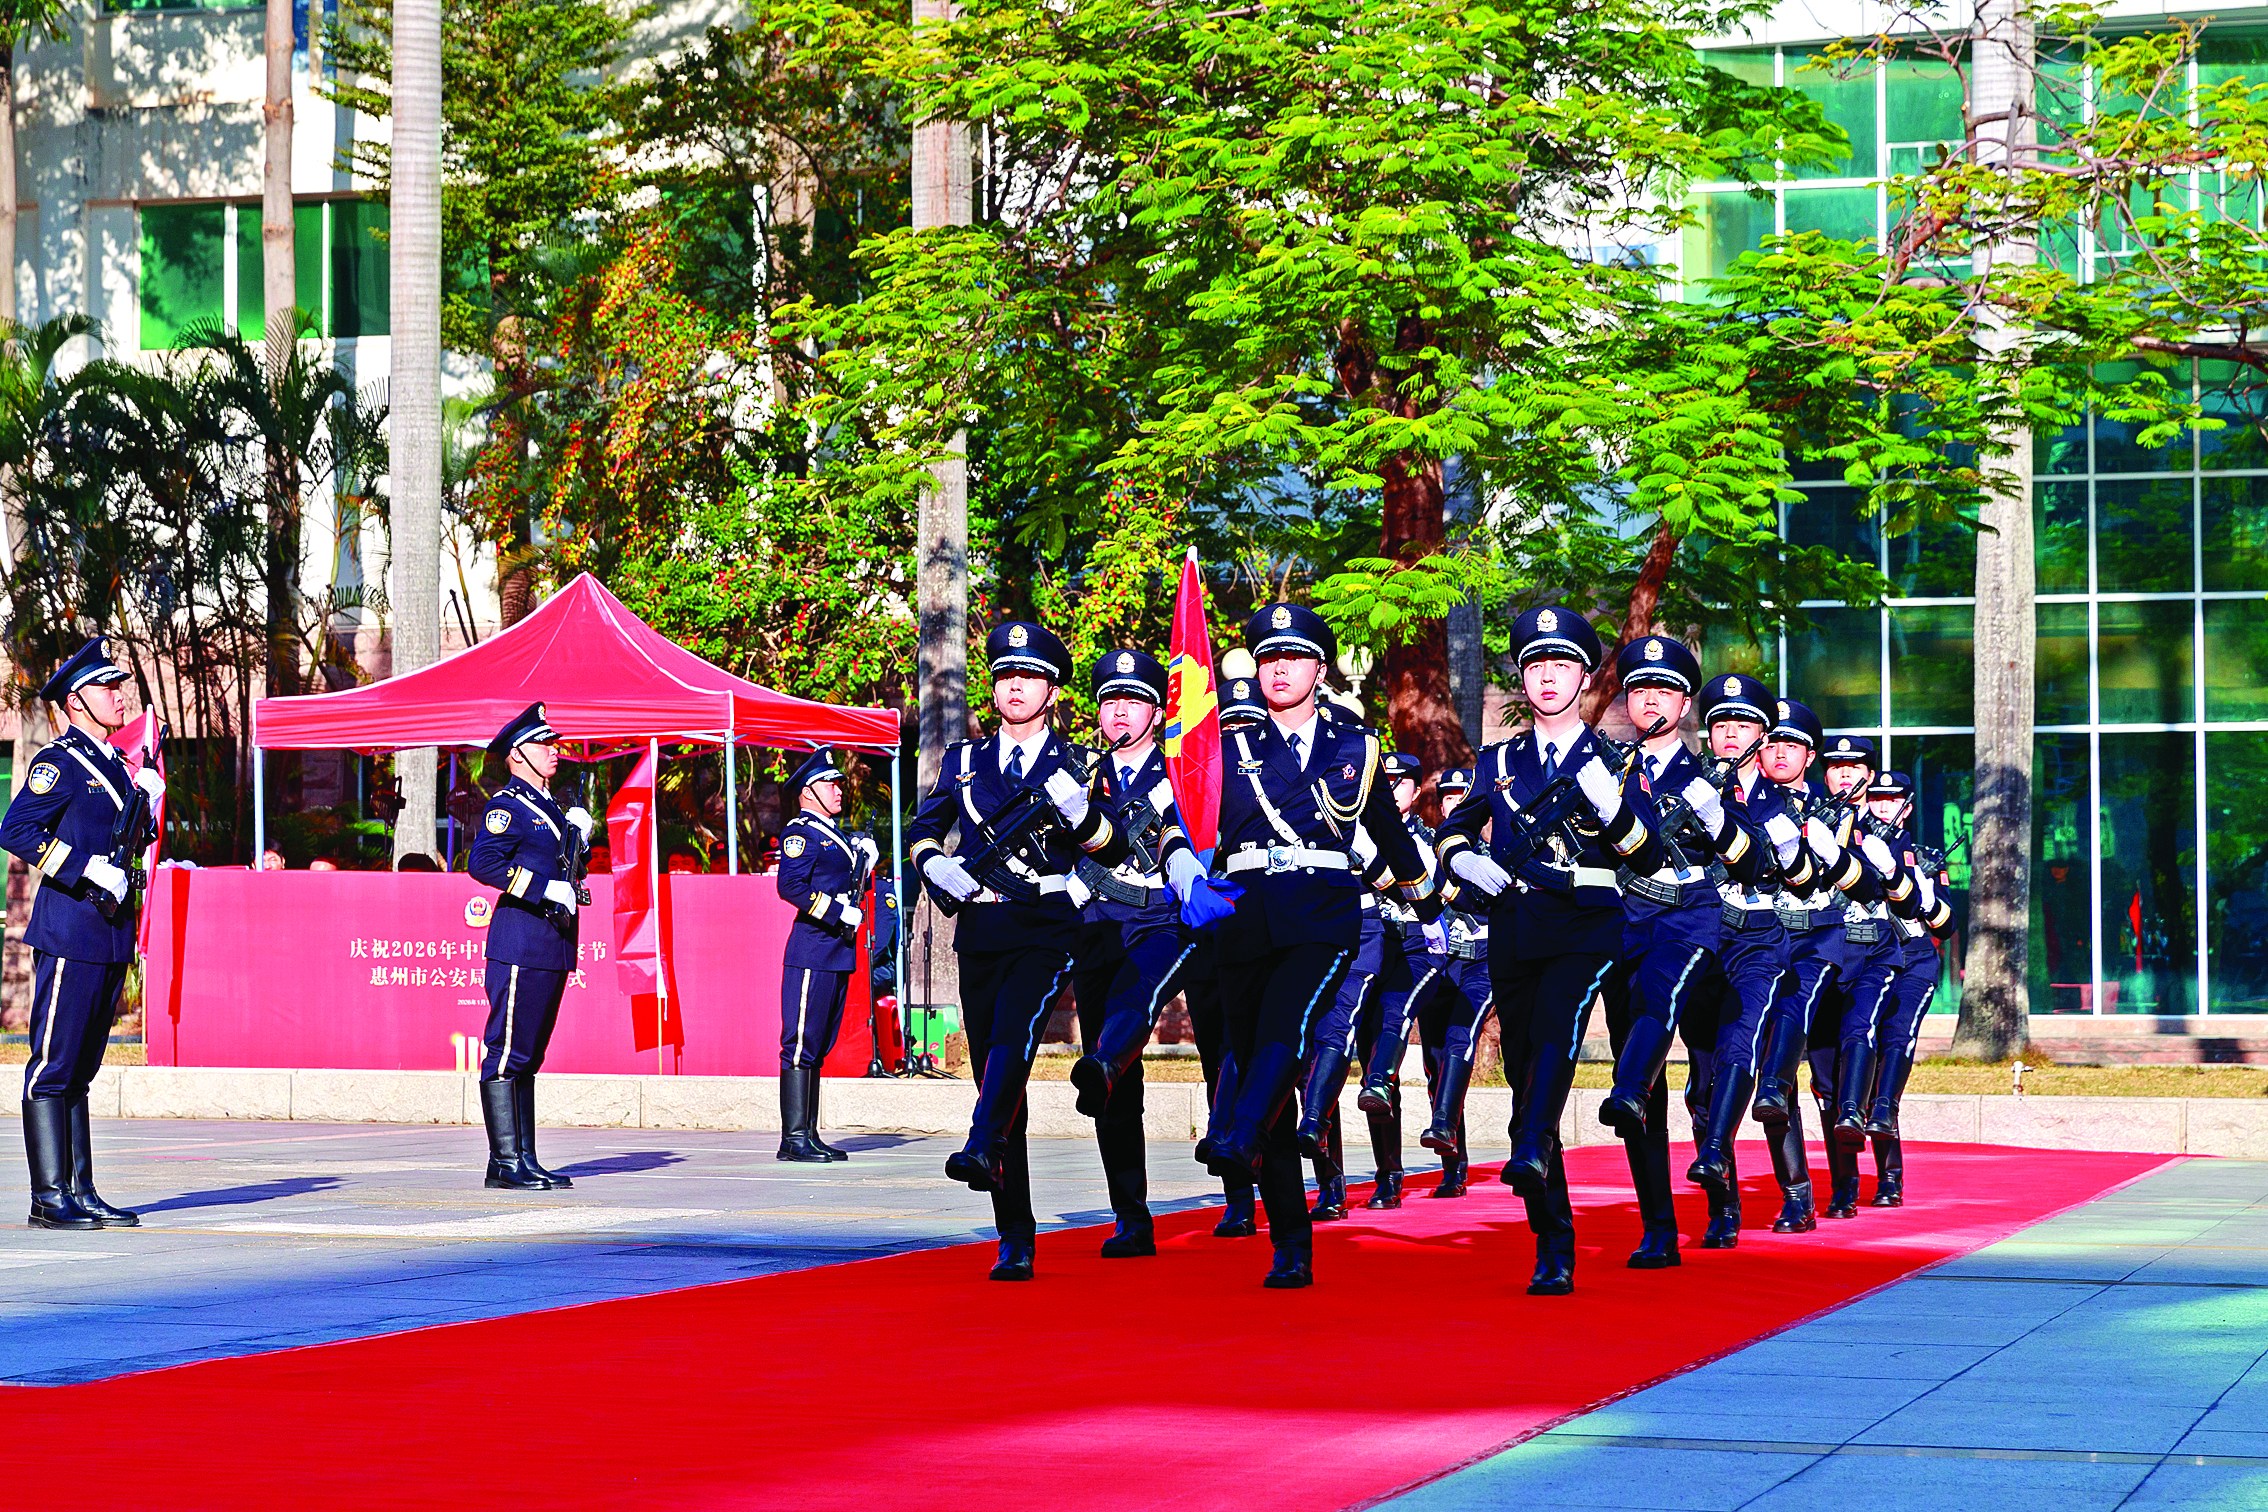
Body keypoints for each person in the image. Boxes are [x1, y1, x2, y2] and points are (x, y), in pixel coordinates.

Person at [1189, 603, 1439, 1288]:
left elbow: (1388, 832)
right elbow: (1185, 816)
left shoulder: (1354, 746)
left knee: (1286, 1029)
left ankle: (1234, 1133)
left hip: (1321, 917)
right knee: (1259, 1057)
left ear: (1320, 669)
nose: (1280, 668)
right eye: (1269, 657)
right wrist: (1181, 864)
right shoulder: (1224, 743)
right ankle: (1291, 1244)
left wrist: (1428, 893)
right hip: (1242, 916)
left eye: (1294, 657)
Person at [1436, 604, 1661, 1295]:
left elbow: (1647, 853)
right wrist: (1460, 859)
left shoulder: (1615, 760)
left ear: (1586, 675)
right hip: (1514, 927)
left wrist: (1613, 808)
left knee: (1561, 1031)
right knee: (1524, 1076)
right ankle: (1552, 1238)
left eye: (1562, 664)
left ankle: (1531, 1145)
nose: (1547, 677)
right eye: (1536, 665)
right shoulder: (1499, 759)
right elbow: (1458, 828)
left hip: (1589, 922)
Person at [909, 621, 1127, 1282]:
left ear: (1052, 690)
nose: (1015, 686)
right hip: (980, 925)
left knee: (1013, 1036)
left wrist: (1081, 816)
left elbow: (1115, 847)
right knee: (998, 1077)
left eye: (1028, 676)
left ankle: (981, 1143)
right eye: (1006, 674)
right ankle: (1015, 1230)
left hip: (1048, 923)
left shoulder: (1081, 764)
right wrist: (933, 866)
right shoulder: (964, 760)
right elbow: (927, 824)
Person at [1594, 635, 1772, 1270]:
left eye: (1664, 690)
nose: (1650, 701)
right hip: (1624, 921)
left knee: (1684, 1051)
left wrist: (1717, 821)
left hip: (1699, 925)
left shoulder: (1711, 776)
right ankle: (1658, 1226)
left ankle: (1718, 1197)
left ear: (1685, 703)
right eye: (1639, 689)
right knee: (1641, 1080)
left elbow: (1761, 860)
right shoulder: (1602, 767)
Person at [1, 638, 161, 1229]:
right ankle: (49, 1198)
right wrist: (81, 867)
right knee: (52, 1066)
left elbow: (123, 840)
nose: (120, 697)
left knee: (82, 1069)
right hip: (70, 930)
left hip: (109, 933)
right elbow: (15, 829)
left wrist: (144, 803)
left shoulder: (117, 764)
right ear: (76, 700)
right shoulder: (59, 763)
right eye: (107, 688)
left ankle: (80, 1189)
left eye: (120, 687)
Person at [1067, 647, 1201, 1259]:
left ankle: (1244, 1181)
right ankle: (1131, 1213)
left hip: (1161, 919)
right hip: (1096, 923)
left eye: (1134, 701)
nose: (1120, 713)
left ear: (1155, 709)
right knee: (1109, 1075)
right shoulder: (1080, 774)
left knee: (1134, 1015)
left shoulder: (1183, 770)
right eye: (1111, 702)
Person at [1681, 673, 1814, 1249]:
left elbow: (1796, 872)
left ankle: (1796, 1191)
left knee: (1758, 1074)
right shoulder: (1681, 785)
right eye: (1720, 725)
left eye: (1743, 726)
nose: (1730, 735)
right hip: (1698, 942)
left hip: (1762, 943)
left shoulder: (1779, 807)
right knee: (1702, 1085)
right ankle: (1723, 1203)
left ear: (1762, 737)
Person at [466, 703, 593, 1192]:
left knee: (530, 1055)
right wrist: (541, 888)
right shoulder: (508, 806)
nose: (554, 751)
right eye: (545, 744)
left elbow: (568, 868)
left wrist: (577, 838)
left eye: (554, 743)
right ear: (518, 755)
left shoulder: (551, 808)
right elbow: (482, 863)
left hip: (551, 944)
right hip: (520, 942)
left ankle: (523, 1158)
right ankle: (505, 1161)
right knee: (507, 1053)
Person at [1185, 673, 1268, 1238]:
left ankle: (1326, 1176)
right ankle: (1238, 1195)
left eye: (1247, 728)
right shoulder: (1195, 793)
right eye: (1227, 730)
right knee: (1220, 1059)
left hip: (1267, 935)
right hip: (1209, 945)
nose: (1236, 740)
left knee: (1274, 1056)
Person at [774, 748, 874, 1163]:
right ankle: (793, 1138)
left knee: (819, 1043)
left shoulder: (834, 834)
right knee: (800, 1044)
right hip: (813, 949)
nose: (838, 790)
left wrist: (863, 861)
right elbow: (790, 886)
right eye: (829, 784)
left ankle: (809, 1133)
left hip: (835, 952)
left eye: (837, 783)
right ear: (807, 792)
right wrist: (836, 911)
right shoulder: (802, 833)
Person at [1862, 769, 1956, 1206]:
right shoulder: (1851, 845)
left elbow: (1947, 924)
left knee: (1898, 1043)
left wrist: (1925, 899)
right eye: (1876, 798)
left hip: (1913, 958)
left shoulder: (1926, 856)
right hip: (1867, 959)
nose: (1882, 805)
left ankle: (1889, 1176)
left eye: (1891, 798)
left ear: (1907, 806)